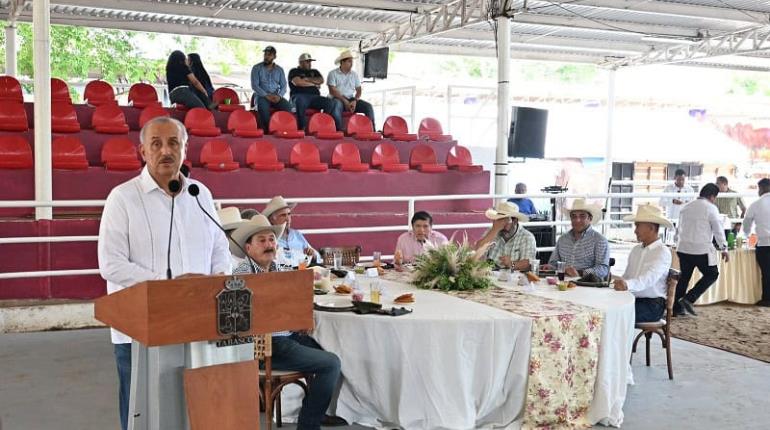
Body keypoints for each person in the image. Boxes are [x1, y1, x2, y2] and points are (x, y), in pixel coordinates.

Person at [97, 117, 231, 430]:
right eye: (156, 144)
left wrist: (218, 279)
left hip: (198, 323)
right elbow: (111, 263)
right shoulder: (123, 198)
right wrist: (169, 286)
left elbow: (219, 247)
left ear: (186, 149)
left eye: (173, 142)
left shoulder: (200, 194)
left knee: (191, 407)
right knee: (141, 412)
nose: (165, 151)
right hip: (139, 328)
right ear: (142, 151)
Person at [230, 215, 347, 429]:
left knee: (338, 352)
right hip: (263, 345)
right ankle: (309, 423)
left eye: (272, 240)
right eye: (262, 241)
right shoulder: (241, 275)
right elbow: (241, 318)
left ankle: (315, 412)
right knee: (330, 363)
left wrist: (300, 316)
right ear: (248, 248)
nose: (269, 245)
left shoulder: (281, 269)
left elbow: (295, 301)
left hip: (287, 337)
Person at [674, 183, 729, 317]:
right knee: (712, 274)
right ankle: (689, 299)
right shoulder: (711, 208)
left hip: (683, 247)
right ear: (712, 196)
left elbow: (678, 228)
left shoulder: (686, 207)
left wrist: (676, 241)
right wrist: (724, 248)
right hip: (700, 249)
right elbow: (718, 230)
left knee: (684, 278)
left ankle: (676, 308)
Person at [612, 204, 673, 323]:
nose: (635, 231)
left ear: (651, 228)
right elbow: (628, 277)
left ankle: (621, 342)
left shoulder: (662, 252)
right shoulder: (636, 250)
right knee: (604, 308)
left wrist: (626, 285)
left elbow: (648, 279)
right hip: (631, 298)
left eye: (638, 226)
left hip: (652, 305)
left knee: (614, 315)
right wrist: (615, 280)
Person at [547, 198, 610, 279]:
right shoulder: (562, 239)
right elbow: (553, 263)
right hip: (562, 283)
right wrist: (550, 267)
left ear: (590, 218)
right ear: (570, 218)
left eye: (582, 216)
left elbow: (603, 269)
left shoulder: (600, 240)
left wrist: (580, 273)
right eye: (574, 216)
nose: (577, 220)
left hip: (587, 285)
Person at [475, 201, 537, 270]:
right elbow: (476, 251)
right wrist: (494, 230)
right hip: (490, 275)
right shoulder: (493, 230)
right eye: (499, 220)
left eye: (505, 221)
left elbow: (528, 263)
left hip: (514, 278)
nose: (501, 225)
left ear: (515, 221)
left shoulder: (527, 237)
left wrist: (512, 264)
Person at [262, 195, 320, 265]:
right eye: (283, 215)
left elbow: (317, 257)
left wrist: (313, 254)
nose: (288, 218)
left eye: (289, 214)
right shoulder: (269, 239)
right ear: (272, 219)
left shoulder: (296, 234)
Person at [288, 53, 339, 130]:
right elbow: (298, 82)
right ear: (301, 62)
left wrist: (307, 79)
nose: (310, 63)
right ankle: (302, 128)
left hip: (315, 97)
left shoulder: (314, 71)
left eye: (310, 61)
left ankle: (320, 125)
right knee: (300, 100)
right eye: (307, 62)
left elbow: (321, 80)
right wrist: (314, 85)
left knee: (330, 103)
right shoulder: (294, 71)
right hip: (300, 96)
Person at [327, 50, 375, 131]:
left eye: (352, 61)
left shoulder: (354, 74)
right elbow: (332, 91)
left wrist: (355, 100)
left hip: (351, 99)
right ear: (342, 62)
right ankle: (339, 131)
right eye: (349, 61)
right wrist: (345, 101)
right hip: (338, 98)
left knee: (368, 107)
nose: (352, 64)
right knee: (336, 106)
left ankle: (372, 130)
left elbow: (359, 90)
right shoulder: (333, 73)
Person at [251, 45, 293, 130]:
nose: (266, 56)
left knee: (288, 108)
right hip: (261, 95)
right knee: (263, 109)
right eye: (265, 54)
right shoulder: (256, 68)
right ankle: (267, 131)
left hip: (275, 96)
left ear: (274, 56)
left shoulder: (279, 70)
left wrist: (279, 96)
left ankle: (281, 128)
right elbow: (255, 85)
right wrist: (266, 95)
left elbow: (284, 86)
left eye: (269, 55)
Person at [742, 178, 770, 307]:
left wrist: (746, 237)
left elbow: (746, 224)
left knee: (766, 272)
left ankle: (767, 299)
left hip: (764, 244)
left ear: (763, 188)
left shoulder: (756, 204)